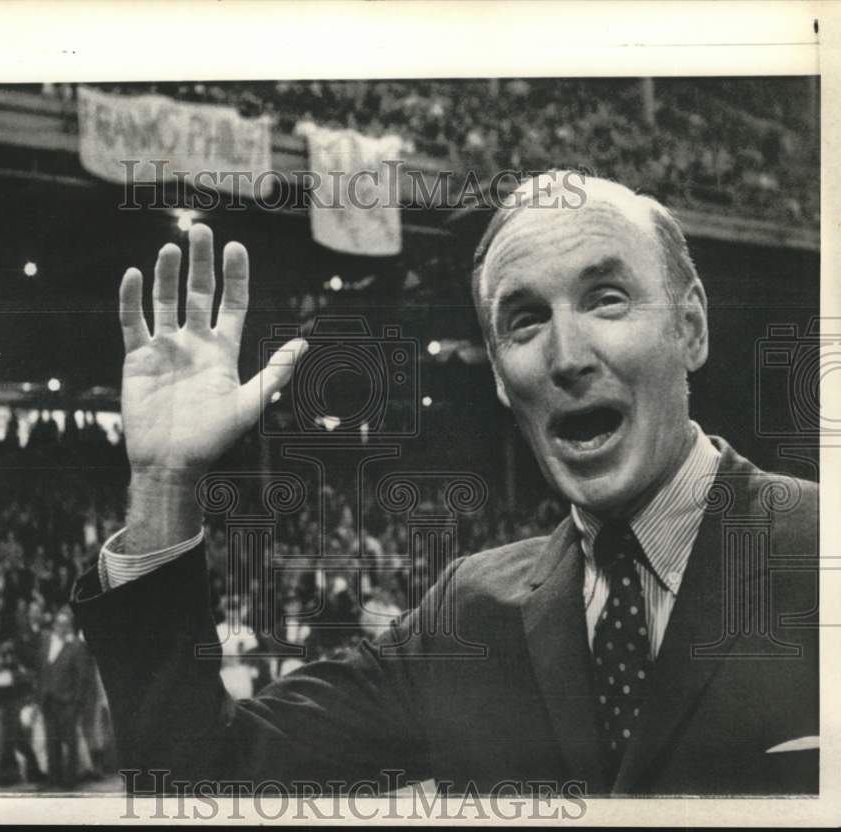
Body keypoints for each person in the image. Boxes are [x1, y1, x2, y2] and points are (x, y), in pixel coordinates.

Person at [71, 173, 818, 796]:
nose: (566, 356)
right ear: (499, 377)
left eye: (606, 299)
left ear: (690, 328)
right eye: (524, 320)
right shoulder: (466, 617)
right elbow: (199, 782)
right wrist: (165, 484)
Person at [38, 607, 92, 790]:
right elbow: (41, 671)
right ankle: (53, 779)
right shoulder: (46, 643)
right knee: (51, 742)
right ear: (54, 625)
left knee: (70, 742)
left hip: (67, 702)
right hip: (48, 701)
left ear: (69, 626)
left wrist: (76, 703)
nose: (62, 628)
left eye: (65, 625)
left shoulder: (76, 646)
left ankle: (70, 782)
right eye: (59, 624)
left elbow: (82, 677)